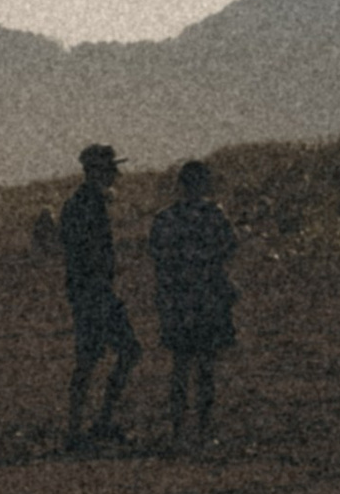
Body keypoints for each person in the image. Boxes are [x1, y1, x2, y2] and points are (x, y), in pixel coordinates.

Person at [148, 158, 238, 447]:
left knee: (180, 366)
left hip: (177, 300)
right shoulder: (214, 215)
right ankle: (204, 429)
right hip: (208, 298)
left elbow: (157, 257)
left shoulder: (165, 218)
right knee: (206, 367)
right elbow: (229, 248)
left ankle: (177, 429)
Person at [57, 142, 139, 449]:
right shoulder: (88, 205)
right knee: (122, 353)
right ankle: (95, 423)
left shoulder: (81, 203)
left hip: (87, 291)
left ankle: (81, 426)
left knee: (91, 359)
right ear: (98, 171)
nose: (116, 174)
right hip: (94, 291)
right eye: (111, 169)